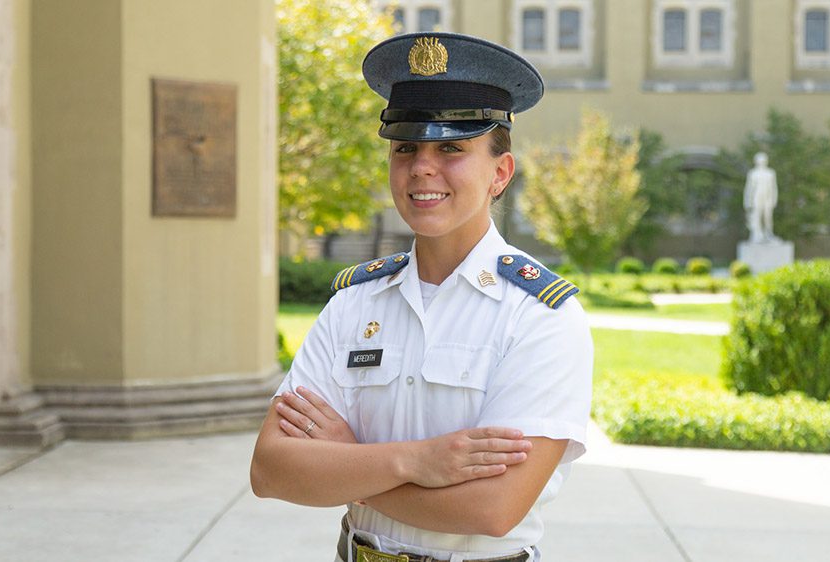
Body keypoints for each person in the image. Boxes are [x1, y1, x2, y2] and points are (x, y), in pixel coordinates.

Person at [251, 32, 593, 562]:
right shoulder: (354, 303)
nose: (421, 168)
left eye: (451, 148)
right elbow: (272, 469)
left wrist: (347, 464)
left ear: (500, 173)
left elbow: (495, 508)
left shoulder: (540, 315)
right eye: (405, 147)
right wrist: (417, 461)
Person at [744, 151, 779, 243]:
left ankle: (768, 233)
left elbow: (773, 188)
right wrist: (747, 201)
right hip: (756, 196)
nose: (762, 162)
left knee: (768, 216)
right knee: (756, 215)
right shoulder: (753, 173)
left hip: (767, 197)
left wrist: (774, 199)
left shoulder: (770, 173)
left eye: (763, 160)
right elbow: (749, 188)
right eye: (760, 160)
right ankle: (756, 234)